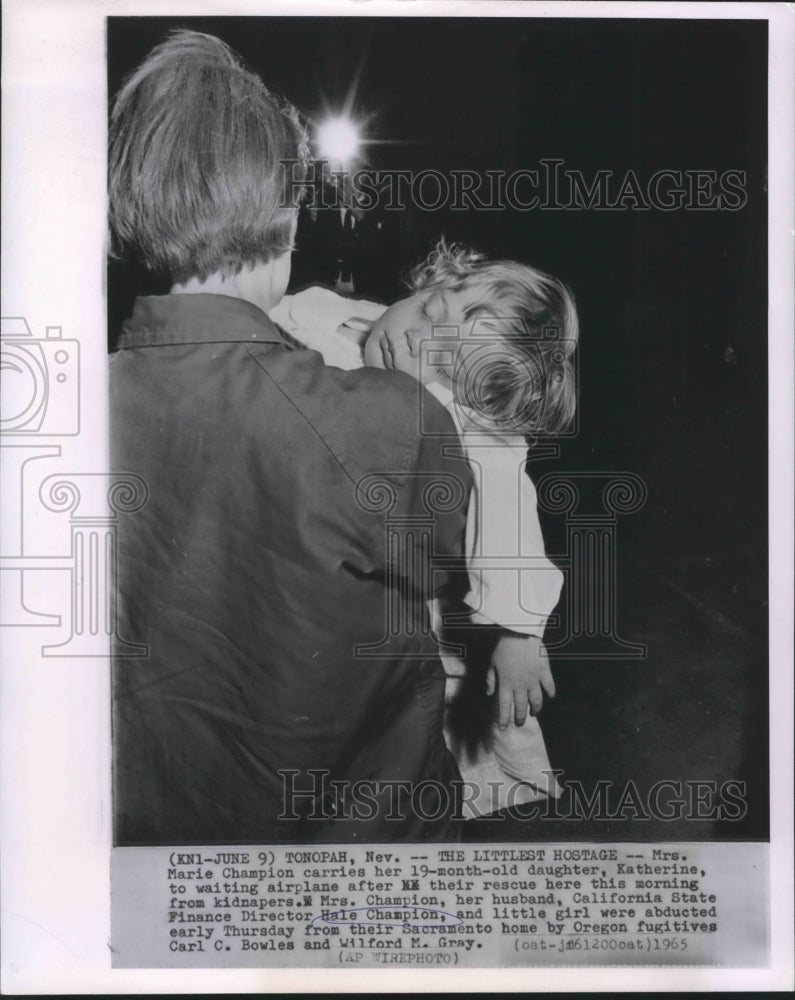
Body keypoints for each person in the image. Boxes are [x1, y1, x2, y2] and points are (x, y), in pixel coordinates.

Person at [108, 31, 471, 845]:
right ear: (284, 210)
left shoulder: (64, 413)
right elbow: (440, 564)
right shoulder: (392, 418)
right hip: (361, 852)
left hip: (157, 855)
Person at [270, 240, 578, 816]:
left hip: (408, 591)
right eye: (430, 313)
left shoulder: (474, 426)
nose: (414, 342)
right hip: (304, 553)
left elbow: (510, 506)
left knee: (437, 708)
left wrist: (519, 632)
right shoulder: (329, 313)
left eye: (442, 365)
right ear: (433, 282)